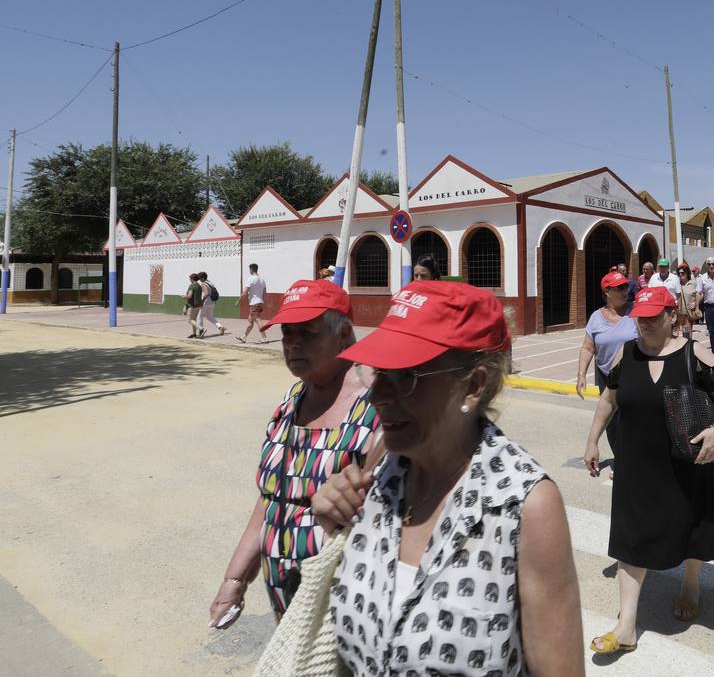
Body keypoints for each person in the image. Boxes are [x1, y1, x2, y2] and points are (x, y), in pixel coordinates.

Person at [312, 281, 583, 674]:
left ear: (472, 387)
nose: (377, 396)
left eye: (405, 376)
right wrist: (333, 522)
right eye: (379, 372)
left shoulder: (523, 505)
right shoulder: (379, 466)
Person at [209, 280, 379, 628]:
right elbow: (271, 497)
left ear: (344, 333)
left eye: (308, 332)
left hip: (349, 602)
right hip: (287, 599)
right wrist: (235, 581)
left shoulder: (378, 404)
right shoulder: (292, 401)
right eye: (288, 333)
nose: (293, 343)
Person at [582, 287, 714, 654]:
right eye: (641, 318)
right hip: (635, 461)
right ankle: (625, 626)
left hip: (685, 460)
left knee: (691, 523)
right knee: (630, 535)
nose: (646, 324)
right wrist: (592, 440)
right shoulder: (627, 353)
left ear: (673, 317)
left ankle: (690, 584)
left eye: (654, 317)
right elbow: (610, 398)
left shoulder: (693, 353)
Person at [578, 270, 637, 401]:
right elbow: (588, 349)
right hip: (605, 378)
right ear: (607, 292)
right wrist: (581, 375)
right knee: (609, 418)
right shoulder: (596, 317)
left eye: (626, 286)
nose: (625, 291)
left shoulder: (635, 311)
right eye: (620, 287)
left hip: (633, 376)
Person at [236, 263, 267, 344]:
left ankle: (264, 338)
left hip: (254, 303)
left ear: (251, 269)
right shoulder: (262, 280)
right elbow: (264, 293)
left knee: (258, 320)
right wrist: (262, 302)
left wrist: (238, 301)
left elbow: (245, 292)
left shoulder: (251, 279)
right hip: (259, 302)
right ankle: (244, 337)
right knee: (250, 321)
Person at [197, 271, 226, 338]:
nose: (200, 280)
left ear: (203, 278)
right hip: (212, 302)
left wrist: (202, 301)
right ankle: (220, 327)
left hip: (206, 302)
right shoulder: (210, 283)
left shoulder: (204, 283)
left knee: (199, 317)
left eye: (200, 278)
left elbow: (206, 293)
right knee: (210, 317)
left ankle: (201, 331)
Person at [184, 273, 202, 338]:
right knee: (194, 319)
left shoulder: (192, 286)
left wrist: (184, 297)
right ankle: (194, 333)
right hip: (198, 305)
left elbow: (189, 296)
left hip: (192, 305)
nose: (189, 280)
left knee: (190, 320)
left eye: (190, 278)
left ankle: (201, 329)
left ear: (192, 279)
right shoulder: (199, 286)